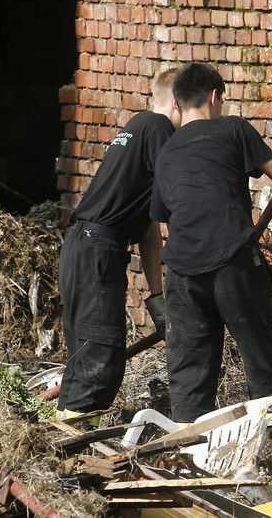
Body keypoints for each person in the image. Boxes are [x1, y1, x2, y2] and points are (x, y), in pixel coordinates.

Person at [150, 61, 272, 481]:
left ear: (177, 102)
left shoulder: (166, 152)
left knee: (190, 379)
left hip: (182, 275)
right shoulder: (233, 129)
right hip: (232, 264)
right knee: (262, 364)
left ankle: (193, 473)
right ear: (215, 96)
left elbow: (165, 220)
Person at [56, 67, 181, 422]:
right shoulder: (157, 128)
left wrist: (157, 297)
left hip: (85, 248)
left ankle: (68, 440)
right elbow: (178, 198)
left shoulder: (140, 130)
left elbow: (149, 228)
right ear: (176, 103)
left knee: (88, 356)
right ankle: (74, 450)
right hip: (97, 248)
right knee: (99, 358)